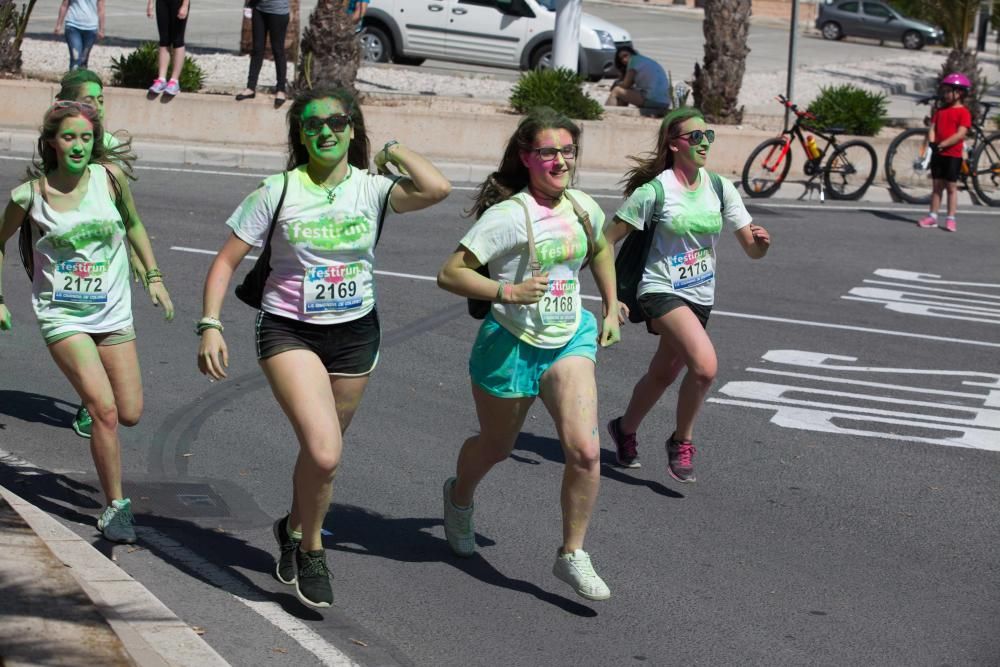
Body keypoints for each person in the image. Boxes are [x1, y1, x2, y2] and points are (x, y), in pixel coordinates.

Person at [197, 86, 450, 608]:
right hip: (289, 329)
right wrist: (210, 323)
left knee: (322, 459)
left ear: (352, 129)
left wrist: (394, 149)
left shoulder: (374, 188)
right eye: (313, 125)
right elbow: (225, 261)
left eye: (337, 122)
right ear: (301, 135)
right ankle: (311, 547)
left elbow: (437, 188)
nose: (326, 131)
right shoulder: (278, 190)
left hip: (357, 333)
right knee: (325, 449)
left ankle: (290, 525)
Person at [436, 107, 622, 601]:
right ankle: (459, 497)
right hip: (510, 344)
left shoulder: (582, 206)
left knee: (584, 450)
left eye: (568, 151)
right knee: (496, 447)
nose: (561, 161)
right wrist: (508, 292)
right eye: (548, 152)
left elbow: (600, 249)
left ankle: (572, 553)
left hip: (569, 338)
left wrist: (608, 306)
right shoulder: (507, 217)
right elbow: (451, 273)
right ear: (526, 158)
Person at [0, 101, 175, 543]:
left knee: (130, 412)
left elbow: (133, 224)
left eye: (85, 137)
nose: (77, 145)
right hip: (63, 316)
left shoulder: (110, 180)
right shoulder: (30, 196)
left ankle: (95, 415)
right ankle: (116, 507)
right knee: (106, 410)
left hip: (113, 311)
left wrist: (153, 275)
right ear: (51, 143)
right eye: (68, 137)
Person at [603, 107, 770, 478]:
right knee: (705, 367)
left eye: (708, 136)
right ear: (673, 144)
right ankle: (681, 441)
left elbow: (752, 250)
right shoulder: (655, 191)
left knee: (664, 373)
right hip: (659, 288)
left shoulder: (719, 187)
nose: (704, 143)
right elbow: (605, 241)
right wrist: (610, 298)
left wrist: (761, 244)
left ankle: (624, 428)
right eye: (695, 137)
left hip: (700, 295)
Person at [55, 69, 150, 438]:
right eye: (87, 100)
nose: (97, 106)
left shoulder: (109, 144)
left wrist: (142, 260)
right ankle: (91, 395)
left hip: (106, 259)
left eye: (100, 98)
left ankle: (89, 402)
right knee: (76, 328)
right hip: (66, 257)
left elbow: (126, 212)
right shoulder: (56, 139)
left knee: (105, 327)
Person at [918, 72, 973, 233]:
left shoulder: (963, 113)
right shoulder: (940, 111)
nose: (946, 94)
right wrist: (933, 143)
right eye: (945, 91)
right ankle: (932, 216)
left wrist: (944, 144)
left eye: (949, 91)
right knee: (936, 187)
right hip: (938, 153)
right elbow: (932, 129)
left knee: (951, 187)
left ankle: (951, 218)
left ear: (959, 93)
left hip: (953, 155)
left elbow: (961, 134)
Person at [236, 0, 290, 108]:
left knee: (278, 50)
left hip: (278, 11)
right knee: (257, 49)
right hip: (259, 9)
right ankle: (250, 87)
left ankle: (280, 90)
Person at [607, 46, 670, 117]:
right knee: (624, 93)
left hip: (653, 100)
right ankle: (619, 113)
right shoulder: (644, 60)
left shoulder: (633, 61)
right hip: (665, 102)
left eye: (625, 55)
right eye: (621, 59)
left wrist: (616, 83)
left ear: (632, 53)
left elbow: (626, 85)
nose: (624, 60)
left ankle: (607, 113)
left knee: (616, 90)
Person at [146, 0, 190, 97]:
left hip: (178, 2)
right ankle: (161, 79)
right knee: (164, 40)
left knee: (177, 40)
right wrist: (150, 3)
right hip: (162, 2)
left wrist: (185, 5)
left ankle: (174, 81)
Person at [54, 0, 105, 71]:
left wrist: (101, 29)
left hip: (91, 28)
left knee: (84, 59)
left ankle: (82, 80)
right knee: (76, 58)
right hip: (73, 26)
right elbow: (64, 5)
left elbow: (101, 9)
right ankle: (73, 80)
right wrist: (59, 25)